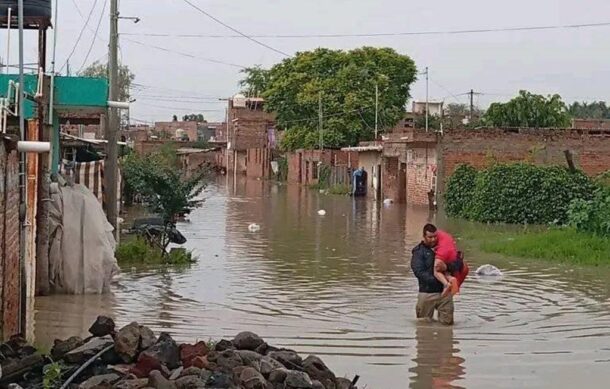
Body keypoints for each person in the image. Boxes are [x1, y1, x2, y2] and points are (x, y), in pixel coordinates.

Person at [411, 224, 464, 325]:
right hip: (427, 293)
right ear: (424, 236)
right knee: (423, 326)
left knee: (447, 325)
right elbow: (419, 272)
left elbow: (459, 264)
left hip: (445, 294)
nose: (433, 239)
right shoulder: (419, 252)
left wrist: (446, 267)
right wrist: (439, 280)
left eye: (435, 236)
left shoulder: (445, 247)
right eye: (430, 237)